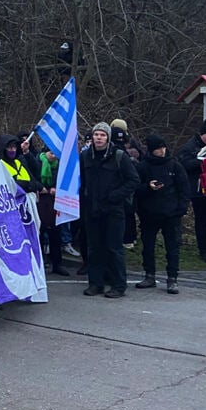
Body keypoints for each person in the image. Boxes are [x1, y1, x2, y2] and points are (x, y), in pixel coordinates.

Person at [80, 122, 140, 298]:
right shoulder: (85, 156)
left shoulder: (119, 156)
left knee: (114, 249)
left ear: (108, 138)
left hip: (114, 211)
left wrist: (116, 196)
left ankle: (118, 285)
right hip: (92, 210)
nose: (98, 138)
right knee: (94, 248)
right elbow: (80, 180)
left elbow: (133, 180)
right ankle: (95, 283)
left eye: (102, 135)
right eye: (96, 134)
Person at [134, 134, 190, 294]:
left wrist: (181, 209)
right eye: (159, 148)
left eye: (163, 147)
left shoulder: (175, 165)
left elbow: (184, 189)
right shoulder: (143, 166)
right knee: (148, 246)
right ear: (152, 150)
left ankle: (172, 278)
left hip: (171, 214)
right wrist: (148, 187)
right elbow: (135, 188)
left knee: (172, 247)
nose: (162, 150)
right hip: (149, 213)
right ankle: (149, 275)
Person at [177, 118, 206, 263]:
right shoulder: (191, 146)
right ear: (201, 134)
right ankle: (204, 250)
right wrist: (202, 160)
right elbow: (184, 164)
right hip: (199, 191)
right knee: (202, 221)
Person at [37, 149, 69, 276]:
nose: (53, 155)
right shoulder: (38, 162)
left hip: (56, 201)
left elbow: (66, 181)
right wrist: (40, 187)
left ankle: (57, 263)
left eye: (55, 153)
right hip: (41, 200)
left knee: (56, 233)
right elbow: (32, 177)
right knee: (40, 232)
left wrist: (57, 188)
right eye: (51, 152)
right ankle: (40, 263)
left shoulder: (61, 165)